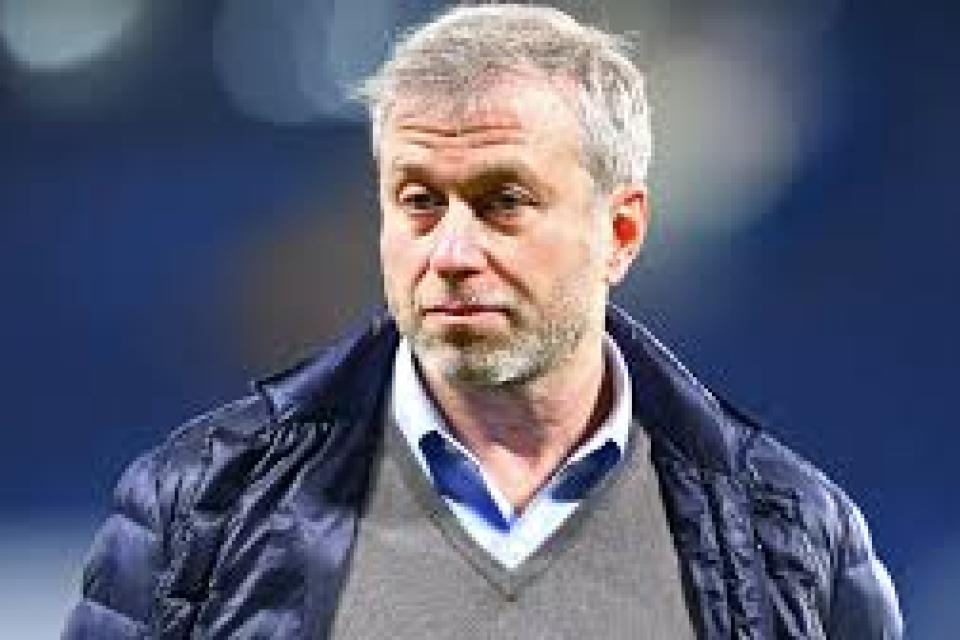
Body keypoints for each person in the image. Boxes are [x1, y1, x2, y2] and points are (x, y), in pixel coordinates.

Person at [64, 5, 903, 639]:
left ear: (620, 231)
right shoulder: (192, 515)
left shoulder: (787, 525)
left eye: (504, 204)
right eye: (419, 205)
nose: (455, 256)